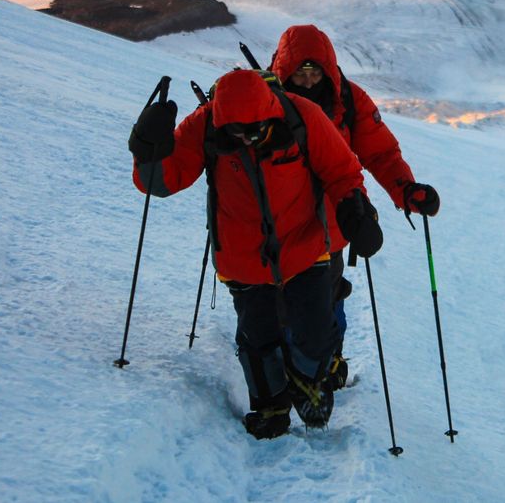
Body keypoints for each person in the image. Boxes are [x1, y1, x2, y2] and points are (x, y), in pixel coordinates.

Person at [128, 69, 383, 440]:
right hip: (242, 258)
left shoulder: (302, 115)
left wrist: (356, 213)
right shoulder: (207, 124)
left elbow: (343, 171)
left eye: (255, 130)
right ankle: (270, 406)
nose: (246, 138)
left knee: (316, 330)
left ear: (270, 111)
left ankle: (307, 382)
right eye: (236, 132)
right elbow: (161, 181)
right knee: (258, 338)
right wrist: (146, 150)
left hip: (305, 247)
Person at [269, 24, 440, 389]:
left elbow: (379, 152)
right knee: (277, 294)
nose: (310, 79)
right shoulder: (266, 96)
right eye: (301, 71)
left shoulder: (348, 99)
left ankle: (327, 362)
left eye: (316, 71)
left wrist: (406, 191)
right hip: (277, 219)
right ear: (286, 69)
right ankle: (280, 364)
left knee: (328, 294)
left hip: (332, 221)